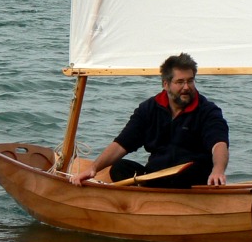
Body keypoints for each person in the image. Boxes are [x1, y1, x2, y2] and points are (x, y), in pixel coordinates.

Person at [70, 53, 229, 188]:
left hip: (191, 180)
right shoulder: (149, 109)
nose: (186, 87)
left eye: (190, 80)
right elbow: (122, 144)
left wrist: (218, 170)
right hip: (156, 177)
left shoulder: (208, 111)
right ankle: (143, 202)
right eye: (180, 82)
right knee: (119, 168)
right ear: (166, 84)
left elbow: (219, 144)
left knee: (188, 171)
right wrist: (94, 168)